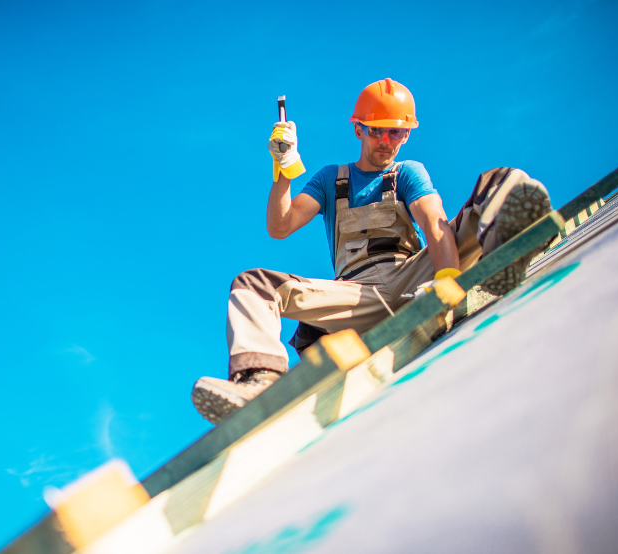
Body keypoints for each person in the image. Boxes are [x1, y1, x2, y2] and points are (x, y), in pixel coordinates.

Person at [191, 78, 552, 425]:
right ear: (358, 129)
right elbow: (280, 227)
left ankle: (510, 249)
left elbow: (433, 223)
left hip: (413, 276)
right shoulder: (331, 179)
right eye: (376, 130)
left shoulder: (407, 172)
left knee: (502, 182)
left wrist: (447, 280)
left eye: (397, 132)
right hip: (356, 295)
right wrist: (283, 168)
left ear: (407, 134)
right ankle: (259, 383)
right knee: (253, 284)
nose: (386, 140)